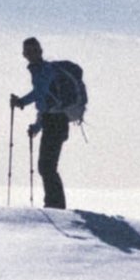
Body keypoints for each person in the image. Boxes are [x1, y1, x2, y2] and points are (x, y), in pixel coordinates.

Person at [9, 36, 85, 208]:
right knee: (47, 166)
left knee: (46, 166)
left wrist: (21, 102)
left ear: (40, 52)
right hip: (55, 121)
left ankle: (55, 206)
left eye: (33, 50)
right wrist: (37, 126)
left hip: (56, 122)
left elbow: (40, 93)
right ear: (24, 54)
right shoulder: (41, 70)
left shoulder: (44, 70)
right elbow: (46, 104)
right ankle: (54, 204)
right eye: (29, 51)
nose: (31, 54)